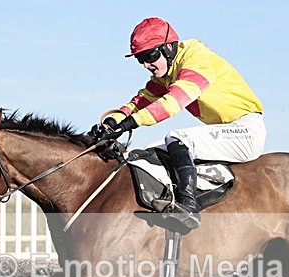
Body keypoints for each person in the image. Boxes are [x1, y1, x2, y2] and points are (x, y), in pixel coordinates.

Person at [91, 17, 266, 230]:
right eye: (140, 59)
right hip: (224, 130)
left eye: (150, 56)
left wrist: (129, 124)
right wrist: (112, 122)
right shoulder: (167, 71)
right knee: (147, 152)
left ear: (168, 47)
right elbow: (142, 101)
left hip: (246, 131)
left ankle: (188, 206)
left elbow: (173, 103)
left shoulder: (197, 59)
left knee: (178, 138)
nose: (147, 64)